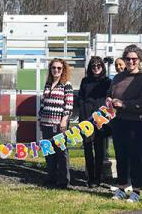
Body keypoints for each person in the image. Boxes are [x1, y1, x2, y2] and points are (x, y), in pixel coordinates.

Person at [107, 45, 142, 203]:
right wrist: (108, 99)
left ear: (139, 60)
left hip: (136, 123)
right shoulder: (118, 77)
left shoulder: (141, 78)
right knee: (121, 156)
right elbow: (110, 93)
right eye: (128, 58)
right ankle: (121, 187)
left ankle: (136, 190)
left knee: (136, 157)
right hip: (118, 122)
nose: (131, 61)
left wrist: (123, 104)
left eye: (134, 58)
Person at [39, 58, 73, 189]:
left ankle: (63, 180)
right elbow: (43, 103)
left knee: (61, 152)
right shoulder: (48, 84)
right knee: (48, 151)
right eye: (54, 68)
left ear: (63, 70)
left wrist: (64, 120)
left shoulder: (66, 84)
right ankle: (51, 177)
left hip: (59, 124)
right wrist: (40, 118)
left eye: (59, 68)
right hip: (46, 123)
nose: (56, 70)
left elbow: (69, 105)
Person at [78, 56, 111, 187]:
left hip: (101, 119)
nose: (96, 68)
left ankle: (98, 177)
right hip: (86, 118)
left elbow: (109, 98)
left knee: (99, 149)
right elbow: (80, 97)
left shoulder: (107, 81)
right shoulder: (85, 81)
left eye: (99, 66)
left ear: (102, 67)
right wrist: (84, 109)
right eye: (93, 66)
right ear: (90, 68)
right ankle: (90, 177)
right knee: (87, 148)